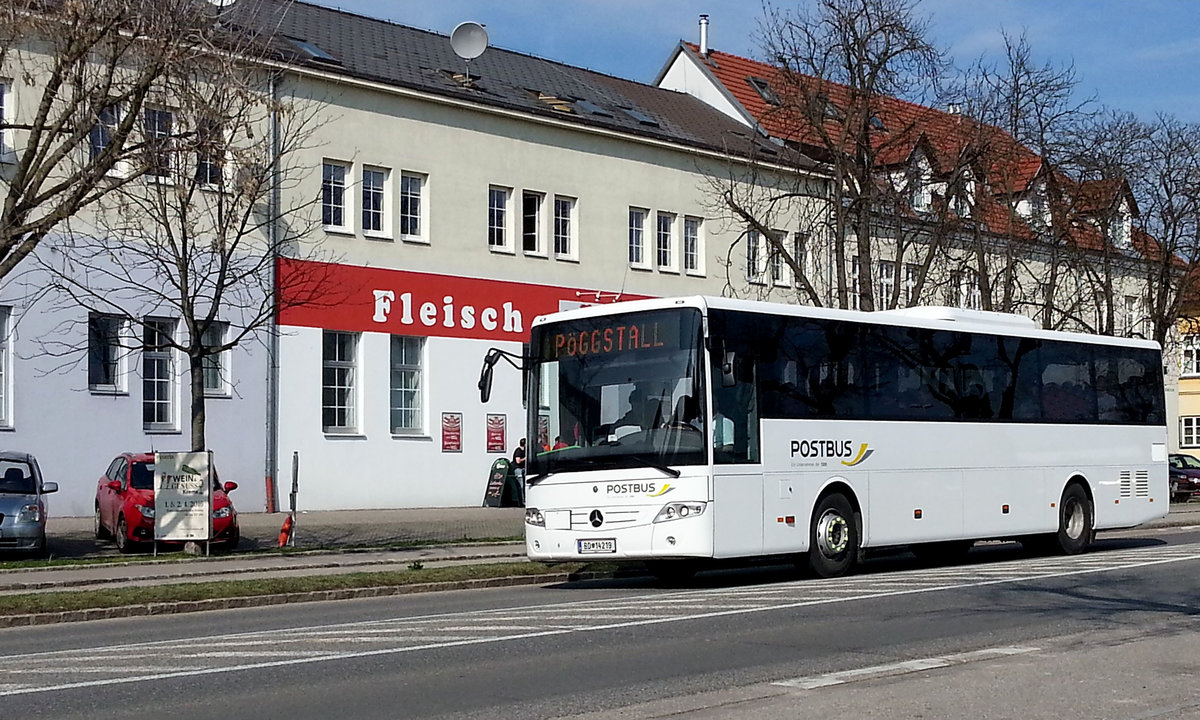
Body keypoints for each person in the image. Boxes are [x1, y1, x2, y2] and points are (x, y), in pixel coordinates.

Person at [511, 438, 526, 506]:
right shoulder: (518, 451)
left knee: (526, 483)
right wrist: (525, 458)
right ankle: (522, 501)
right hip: (518, 468)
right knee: (521, 485)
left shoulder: (526, 450)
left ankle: (526, 499)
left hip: (523, 468)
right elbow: (518, 461)